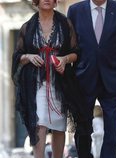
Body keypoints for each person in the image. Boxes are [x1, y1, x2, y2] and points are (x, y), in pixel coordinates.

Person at [11, 0, 90, 158]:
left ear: (55, 2)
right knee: (39, 123)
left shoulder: (65, 23)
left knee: (58, 125)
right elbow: (17, 56)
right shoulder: (28, 26)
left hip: (60, 82)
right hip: (37, 82)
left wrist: (65, 59)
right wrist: (29, 56)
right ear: (36, 2)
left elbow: (76, 52)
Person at [67, 0, 116, 157]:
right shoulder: (75, 11)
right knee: (83, 125)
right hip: (83, 78)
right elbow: (69, 46)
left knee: (112, 125)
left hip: (112, 77)